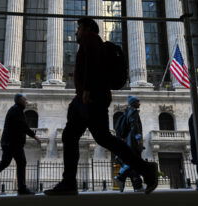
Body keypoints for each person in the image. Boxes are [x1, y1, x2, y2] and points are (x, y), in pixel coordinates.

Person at [44, 18, 158, 196]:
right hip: (87, 98)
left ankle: (146, 169)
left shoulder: (91, 39)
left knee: (102, 138)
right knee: (72, 136)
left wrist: (88, 88)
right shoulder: (91, 41)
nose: (76, 32)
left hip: (91, 97)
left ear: (87, 28)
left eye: (79, 28)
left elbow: (93, 64)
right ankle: (69, 182)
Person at [0, 93, 41, 197]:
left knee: (8, 163)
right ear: (19, 100)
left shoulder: (16, 110)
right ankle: (21, 188)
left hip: (11, 143)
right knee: (18, 162)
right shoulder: (16, 110)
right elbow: (23, 126)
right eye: (25, 100)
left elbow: (21, 126)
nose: (26, 102)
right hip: (13, 143)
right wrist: (35, 136)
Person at [114, 96, 144, 192]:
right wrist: (138, 139)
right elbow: (134, 126)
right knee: (134, 161)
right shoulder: (133, 112)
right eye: (137, 101)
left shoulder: (127, 112)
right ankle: (120, 177)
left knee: (133, 161)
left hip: (128, 139)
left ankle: (137, 185)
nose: (139, 103)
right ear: (133, 103)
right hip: (132, 140)